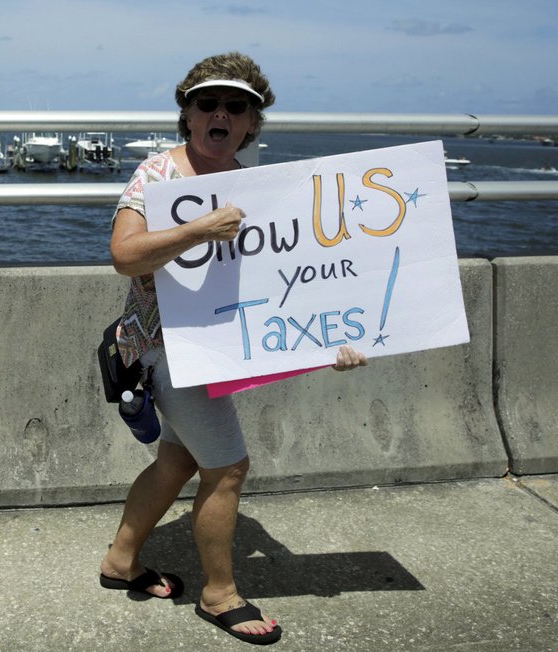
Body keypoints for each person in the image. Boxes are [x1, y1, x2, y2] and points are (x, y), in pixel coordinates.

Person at [99, 52, 368, 645]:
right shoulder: (156, 177)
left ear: (251, 122)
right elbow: (124, 256)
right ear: (188, 115)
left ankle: (121, 561)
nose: (220, 113)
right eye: (207, 102)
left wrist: (336, 340)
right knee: (228, 469)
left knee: (178, 459)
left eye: (236, 105)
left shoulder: (259, 190)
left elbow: (290, 287)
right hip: (164, 347)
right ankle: (220, 594)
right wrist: (198, 230)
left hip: (215, 350)